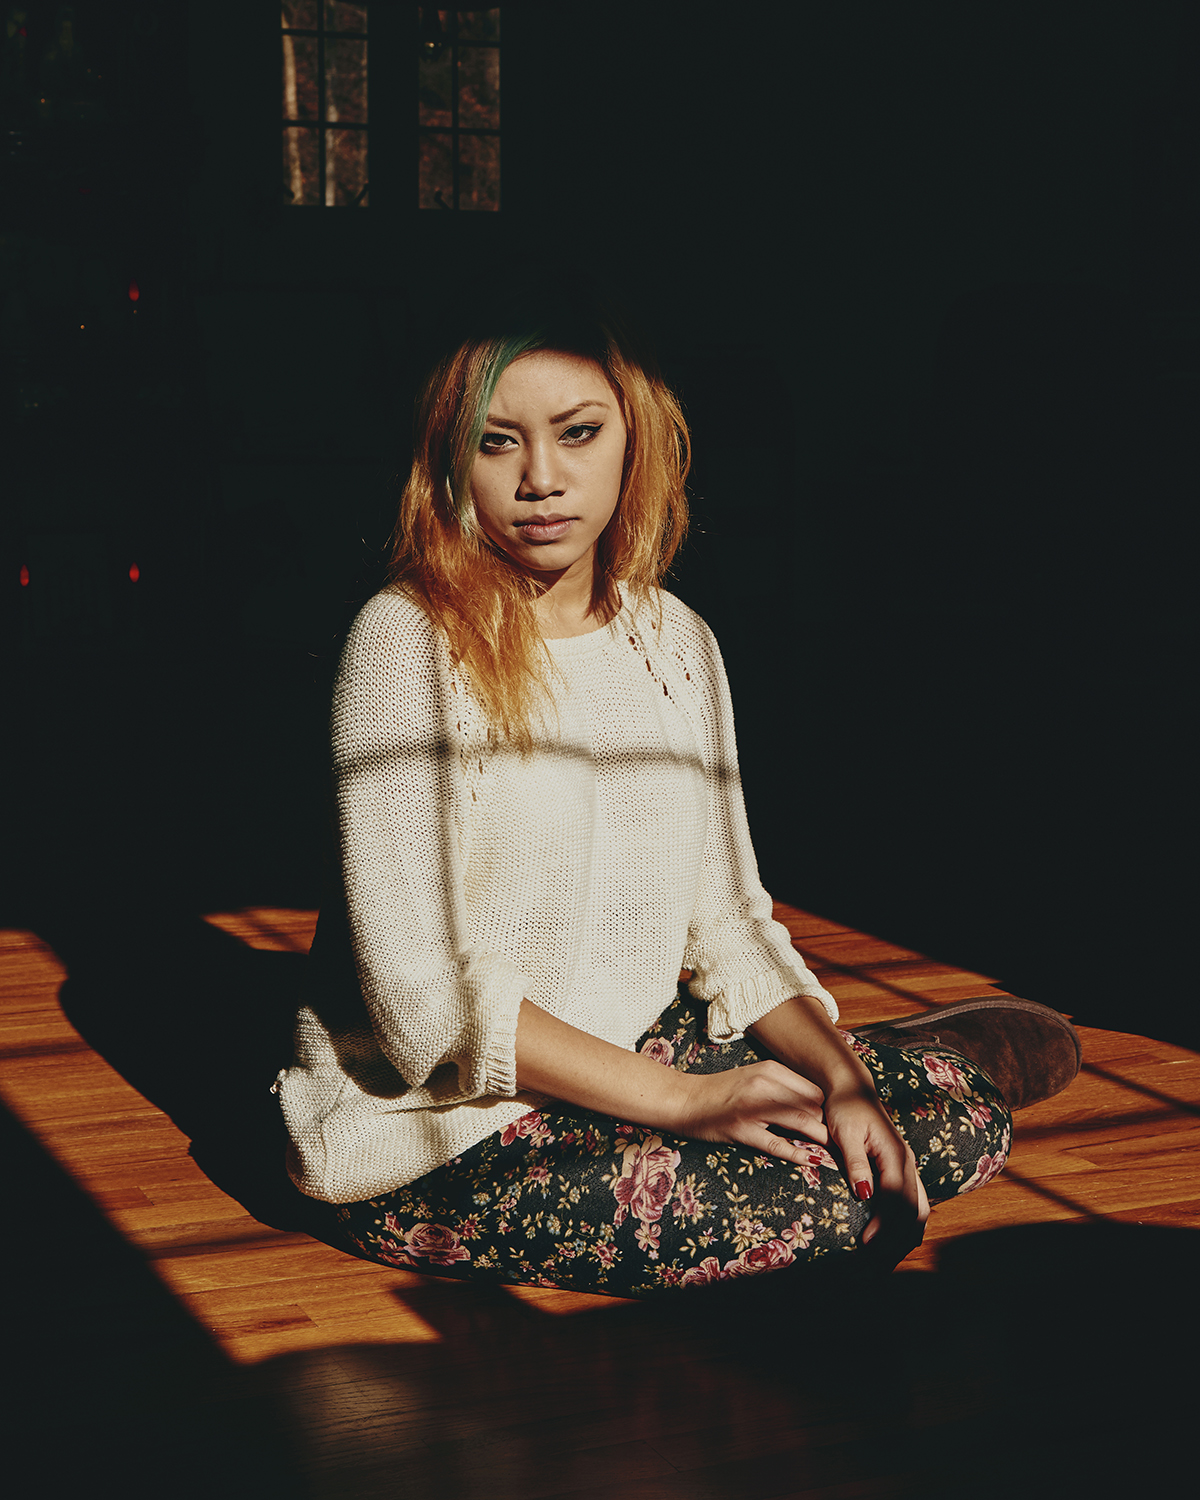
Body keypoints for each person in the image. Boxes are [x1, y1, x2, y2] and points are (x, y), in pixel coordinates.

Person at [276, 305, 1080, 1296]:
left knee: (943, 1121)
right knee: (826, 1205)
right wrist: (692, 1102)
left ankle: (883, 1062)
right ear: (448, 460)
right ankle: (896, 1061)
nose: (541, 478)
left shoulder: (677, 641)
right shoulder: (403, 642)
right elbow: (421, 1008)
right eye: (497, 442)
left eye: (579, 433)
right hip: (443, 1133)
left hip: (637, 1052)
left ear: (635, 438)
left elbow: (728, 922)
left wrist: (842, 1081)